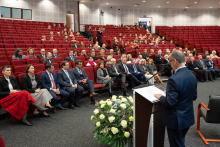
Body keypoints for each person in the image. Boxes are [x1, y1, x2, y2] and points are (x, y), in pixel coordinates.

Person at [154, 51, 197, 147]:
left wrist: (161, 97)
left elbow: (169, 103)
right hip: (187, 117)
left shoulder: (173, 79)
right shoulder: (192, 75)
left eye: (169, 61)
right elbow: (193, 96)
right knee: (180, 141)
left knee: (176, 144)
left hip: (176, 120)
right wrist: (171, 94)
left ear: (175, 61)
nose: (169, 63)